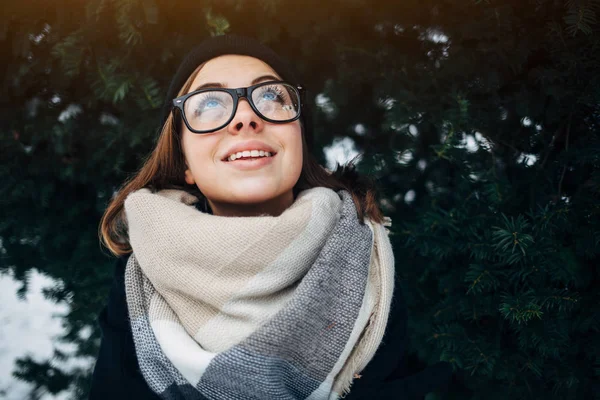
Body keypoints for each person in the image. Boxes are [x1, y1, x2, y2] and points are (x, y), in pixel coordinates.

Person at [90, 34, 452, 400]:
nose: (246, 117)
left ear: (299, 141)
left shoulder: (367, 259)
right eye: (209, 103)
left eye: (271, 97)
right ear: (184, 162)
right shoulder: (141, 279)